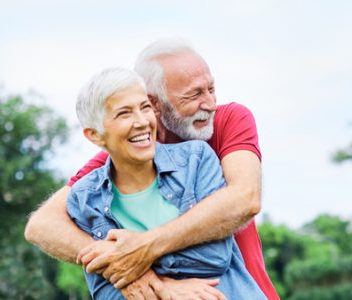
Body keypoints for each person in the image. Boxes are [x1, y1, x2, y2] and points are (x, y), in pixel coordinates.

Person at [25, 38, 279, 300]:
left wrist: (143, 249)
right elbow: (42, 225)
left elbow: (245, 199)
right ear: (155, 103)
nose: (210, 103)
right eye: (194, 94)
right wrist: (121, 264)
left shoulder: (228, 120)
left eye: (211, 89)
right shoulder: (125, 154)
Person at [69, 67, 266, 299]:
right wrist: (166, 288)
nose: (142, 122)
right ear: (94, 134)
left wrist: (135, 256)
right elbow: (106, 293)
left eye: (145, 108)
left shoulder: (196, 158)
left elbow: (213, 257)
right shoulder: (85, 197)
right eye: (124, 113)